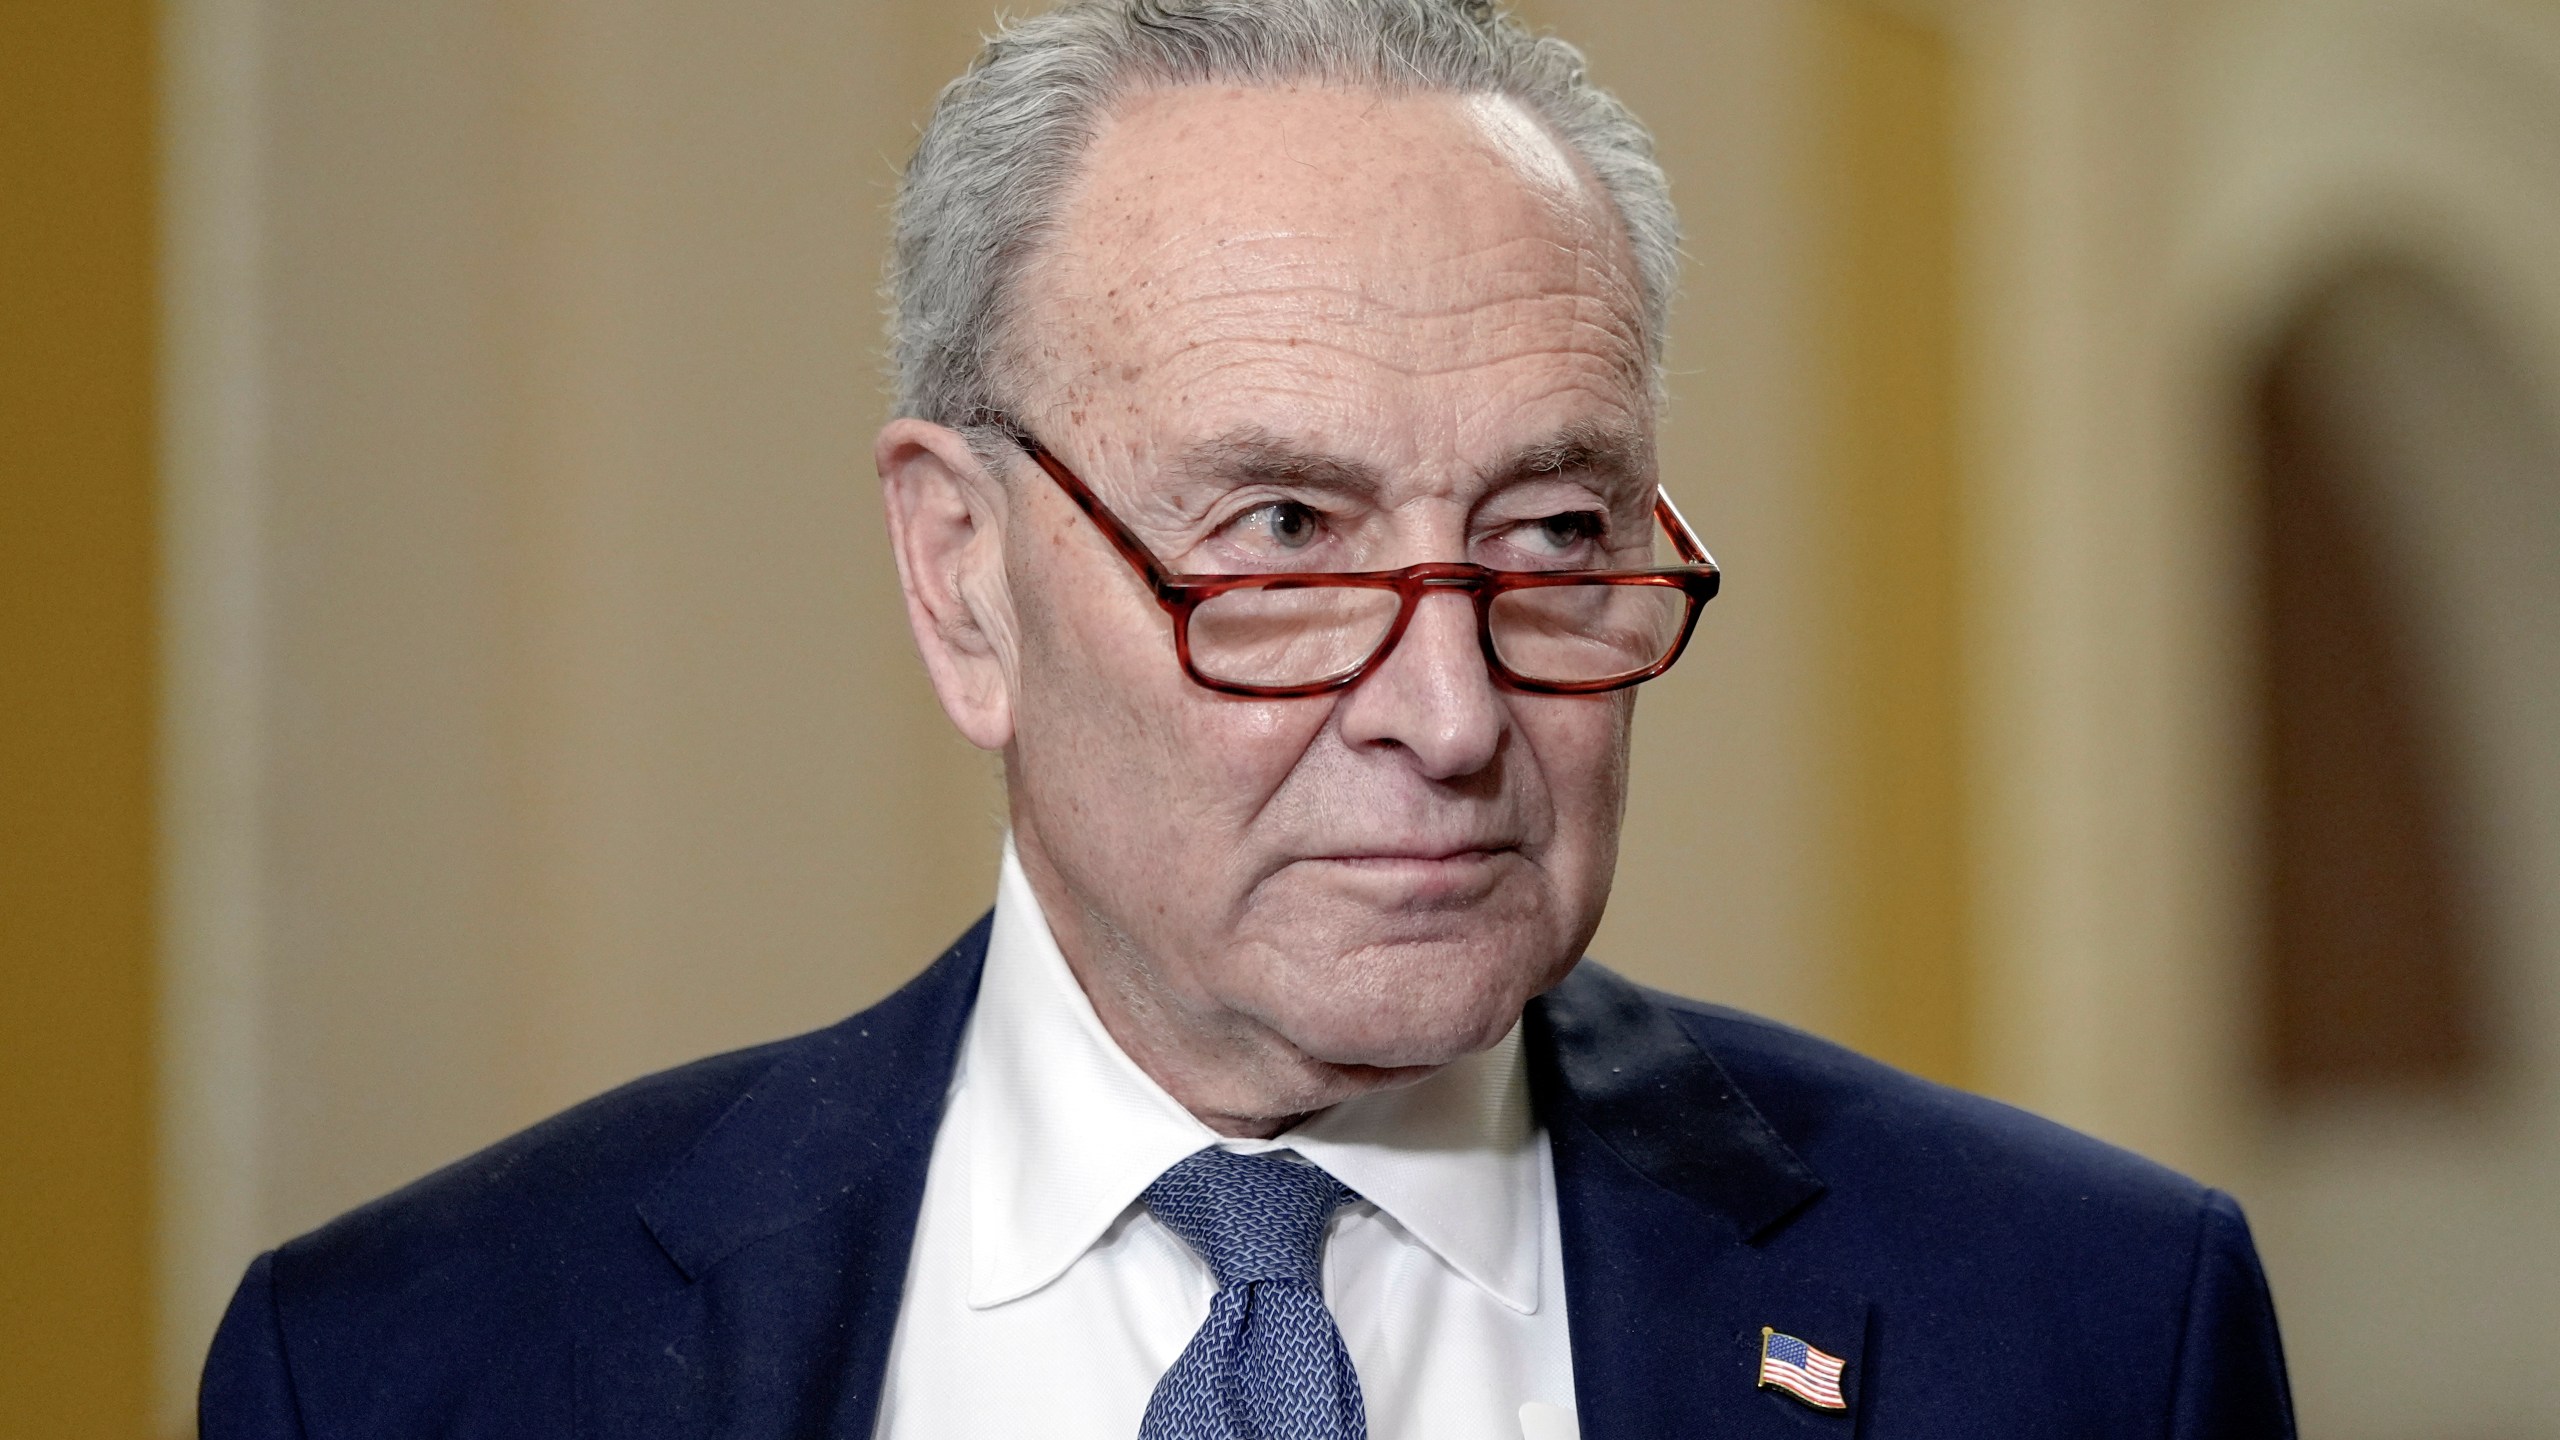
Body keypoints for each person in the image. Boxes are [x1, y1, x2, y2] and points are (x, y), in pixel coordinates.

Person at [200, 2, 2294, 1436]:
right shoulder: (423, 1362)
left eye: (1551, 529)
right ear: (962, 578)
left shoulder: (2083, 1329)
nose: (1452, 711)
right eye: (1284, 533)